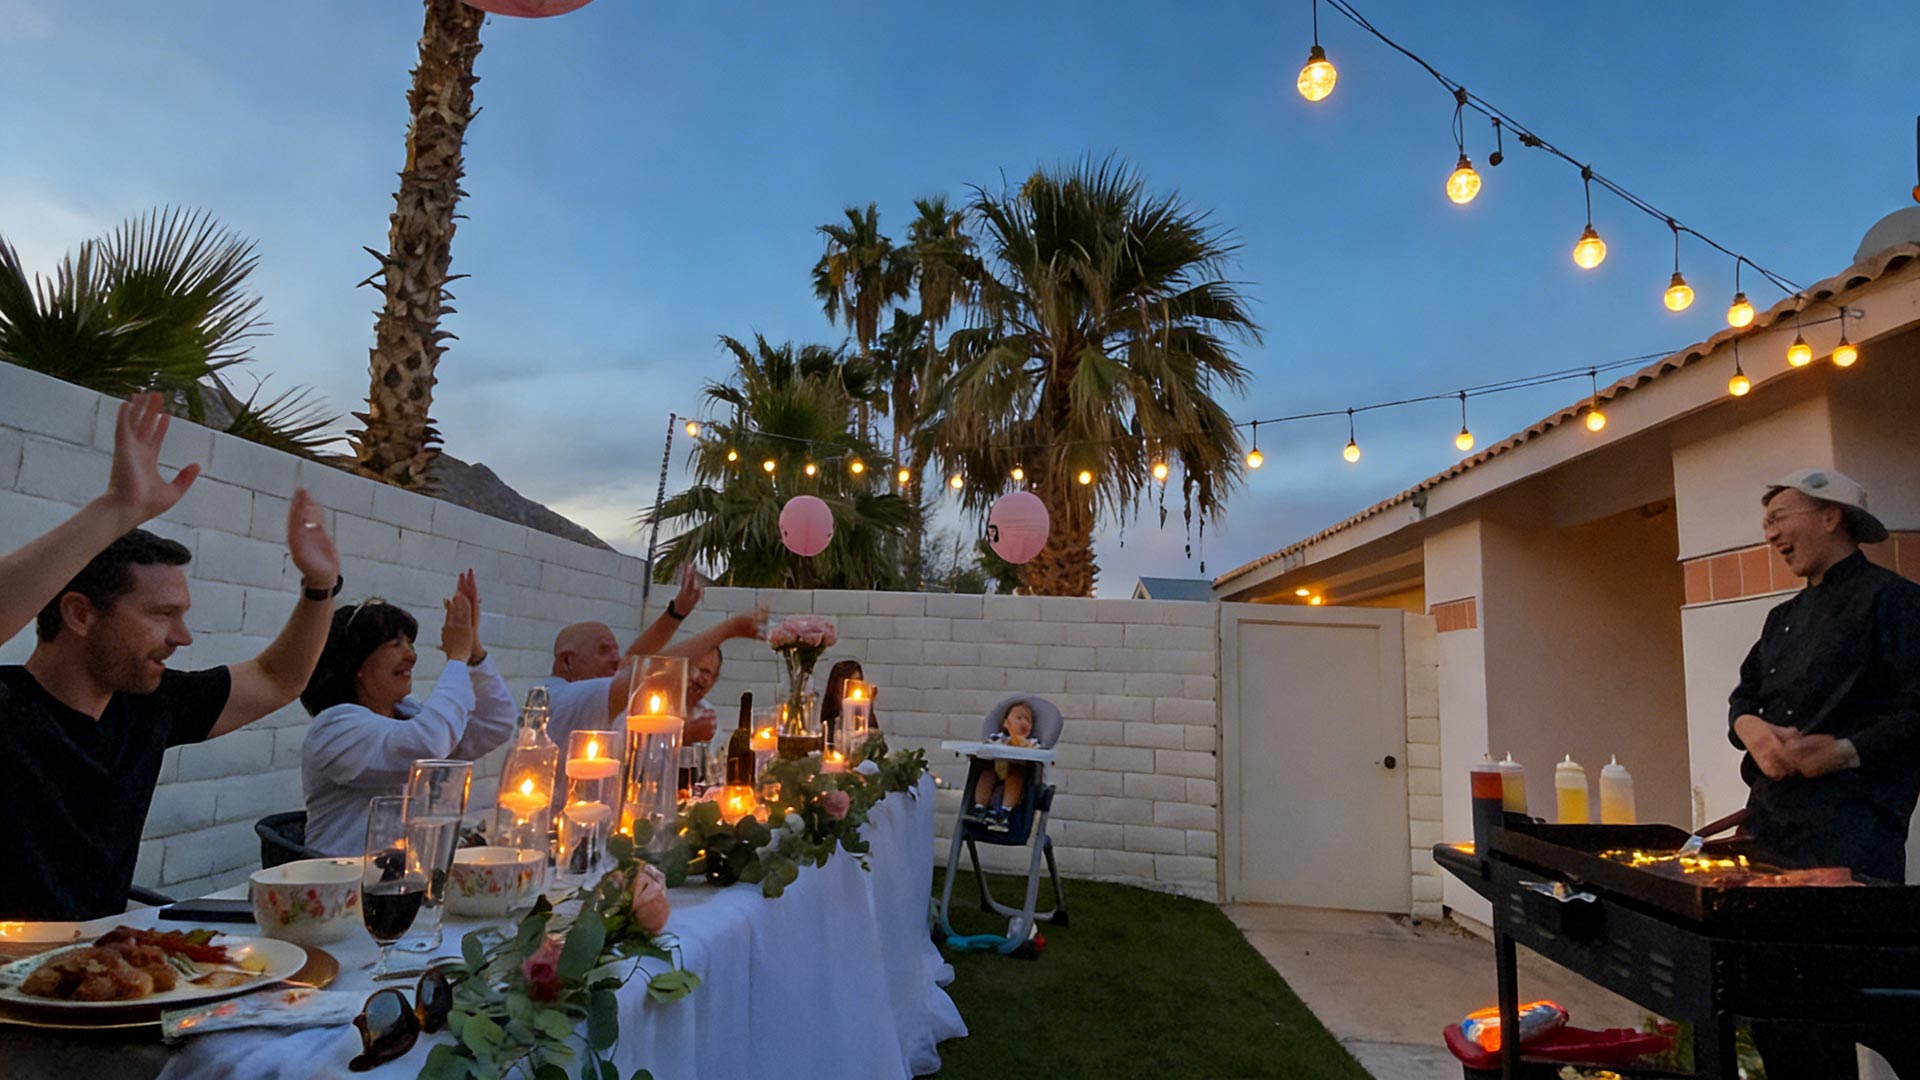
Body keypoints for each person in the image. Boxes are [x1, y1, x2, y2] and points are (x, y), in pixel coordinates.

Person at [0, 394, 341, 920]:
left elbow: (278, 679)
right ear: (80, 614)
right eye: (161, 614)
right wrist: (116, 510)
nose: (182, 637)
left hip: (103, 978)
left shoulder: (148, 702)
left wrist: (320, 587)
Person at [1726, 468, 1920, 1079]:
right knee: (1776, 1011)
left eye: (1781, 517)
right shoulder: (1781, 616)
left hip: (1852, 840)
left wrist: (1842, 751)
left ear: (1831, 515)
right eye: (1766, 524)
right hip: (1771, 834)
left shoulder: (1894, 600)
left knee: (1836, 1003)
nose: (1771, 534)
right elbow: (1743, 698)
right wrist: (1751, 732)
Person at [299, 571, 515, 856]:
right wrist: (457, 658)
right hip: (343, 888)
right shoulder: (334, 728)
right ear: (358, 664)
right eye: (395, 645)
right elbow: (428, 744)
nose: (411, 655)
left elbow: (496, 723)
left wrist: (474, 652)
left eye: (410, 644)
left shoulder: (409, 715)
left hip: (403, 886)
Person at [542, 564, 765, 750]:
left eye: (615, 650)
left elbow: (634, 660)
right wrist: (730, 629)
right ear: (567, 662)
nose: (616, 658)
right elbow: (643, 672)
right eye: (603, 650)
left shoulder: (593, 698)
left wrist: (676, 612)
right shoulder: (560, 698)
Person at [970, 700, 1038, 831]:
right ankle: (979, 808)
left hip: (1017, 783)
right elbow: (987, 746)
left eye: (1028, 720)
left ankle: (1004, 812)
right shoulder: (1000, 739)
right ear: (1006, 723)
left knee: (1015, 775)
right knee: (987, 774)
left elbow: (1038, 753)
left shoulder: (1031, 744)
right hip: (997, 773)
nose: (1023, 722)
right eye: (1019, 718)